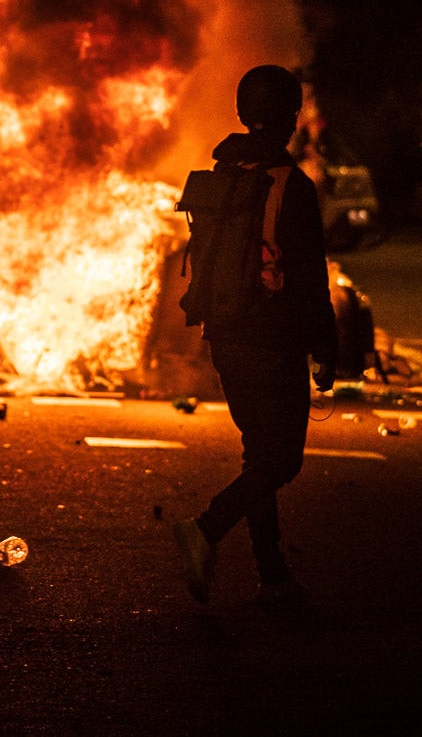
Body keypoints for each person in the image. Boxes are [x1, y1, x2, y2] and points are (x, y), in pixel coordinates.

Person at [174, 65, 339, 607]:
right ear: (291, 118)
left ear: (245, 114)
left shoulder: (222, 177)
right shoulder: (290, 186)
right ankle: (206, 528)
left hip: (226, 336)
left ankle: (272, 576)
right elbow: (312, 279)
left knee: (258, 455)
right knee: (282, 460)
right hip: (272, 340)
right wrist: (326, 349)